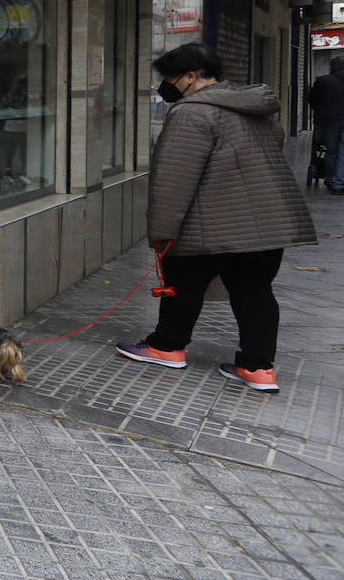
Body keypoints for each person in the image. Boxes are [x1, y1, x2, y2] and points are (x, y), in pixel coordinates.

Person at [116, 43, 315, 393]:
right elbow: (272, 145)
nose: (166, 87)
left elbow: (173, 179)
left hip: (212, 222)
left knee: (182, 285)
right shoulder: (255, 107)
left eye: (169, 79)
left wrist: (162, 234)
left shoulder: (191, 113)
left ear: (191, 77)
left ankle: (166, 346)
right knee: (254, 291)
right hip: (268, 222)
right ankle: (257, 368)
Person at [308, 54, 344, 194]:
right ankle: (339, 183)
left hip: (329, 121)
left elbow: (312, 99)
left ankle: (329, 180)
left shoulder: (322, 81)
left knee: (331, 152)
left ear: (332, 67)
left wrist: (321, 111)